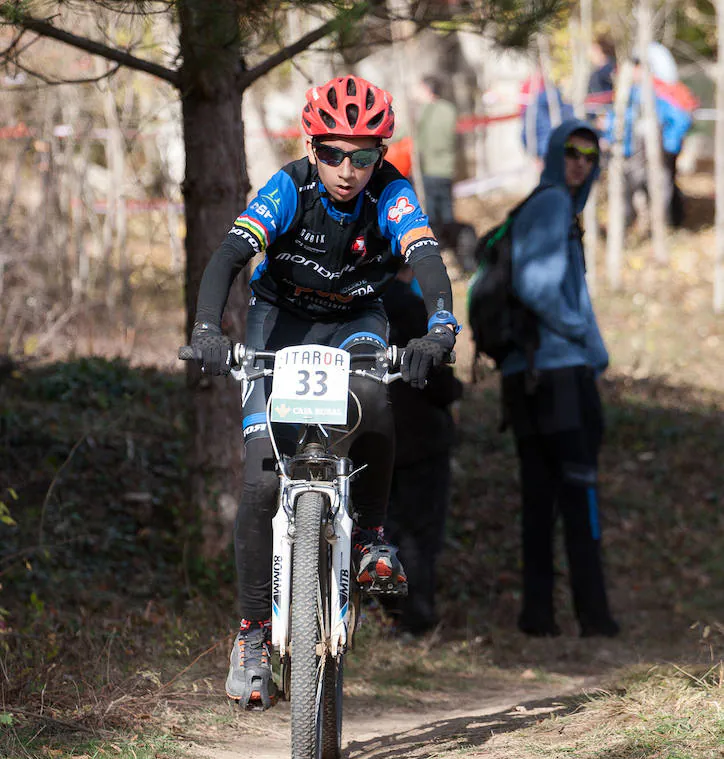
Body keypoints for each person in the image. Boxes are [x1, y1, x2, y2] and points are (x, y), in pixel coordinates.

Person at [190, 74, 460, 708]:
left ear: (380, 155)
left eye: (363, 156)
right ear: (313, 147)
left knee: (375, 395)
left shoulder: (392, 194)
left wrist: (441, 325)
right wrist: (206, 328)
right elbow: (230, 254)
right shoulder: (288, 188)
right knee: (260, 483)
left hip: (355, 322)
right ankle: (253, 637)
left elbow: (425, 261)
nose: (348, 169)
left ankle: (367, 535)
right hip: (277, 322)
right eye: (334, 153)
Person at [501, 119, 619, 639]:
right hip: (557, 375)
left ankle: (537, 618)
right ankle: (594, 620)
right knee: (580, 491)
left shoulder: (548, 205)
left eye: (590, 156)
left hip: (527, 376)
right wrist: (587, 341)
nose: (581, 162)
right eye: (572, 151)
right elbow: (536, 285)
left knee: (540, 497)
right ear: (554, 153)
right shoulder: (552, 205)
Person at [382, 269, 463, 636]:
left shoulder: (353, 307)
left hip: (368, 441)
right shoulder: (412, 308)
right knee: (418, 533)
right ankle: (415, 618)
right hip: (420, 440)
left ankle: (385, 615)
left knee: (378, 529)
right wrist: (455, 391)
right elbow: (439, 383)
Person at [606, 49, 697, 228]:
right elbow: (617, 121)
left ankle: (663, 228)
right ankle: (630, 230)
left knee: (660, 193)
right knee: (630, 195)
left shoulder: (659, 93)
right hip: (630, 156)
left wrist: (669, 145)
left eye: (636, 68)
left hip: (655, 156)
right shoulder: (628, 94)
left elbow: (680, 119)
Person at [414, 76, 458, 229]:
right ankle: (451, 243)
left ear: (427, 90)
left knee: (431, 214)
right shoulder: (449, 109)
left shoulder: (422, 112)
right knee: (447, 211)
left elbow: (403, 133)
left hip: (428, 169)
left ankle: (438, 246)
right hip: (446, 168)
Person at [519, 72, 574, 165]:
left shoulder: (532, 109)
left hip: (543, 153)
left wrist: (534, 155)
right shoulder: (566, 107)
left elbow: (525, 135)